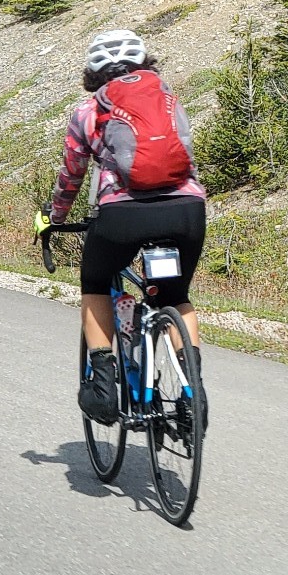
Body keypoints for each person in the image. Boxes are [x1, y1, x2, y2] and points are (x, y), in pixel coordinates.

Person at [46, 28, 207, 424]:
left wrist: (56, 218)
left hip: (123, 215)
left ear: (93, 72)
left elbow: (72, 174)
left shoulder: (88, 111)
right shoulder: (168, 98)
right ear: (144, 62)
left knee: (96, 283)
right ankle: (193, 392)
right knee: (175, 294)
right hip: (186, 209)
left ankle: (102, 385)